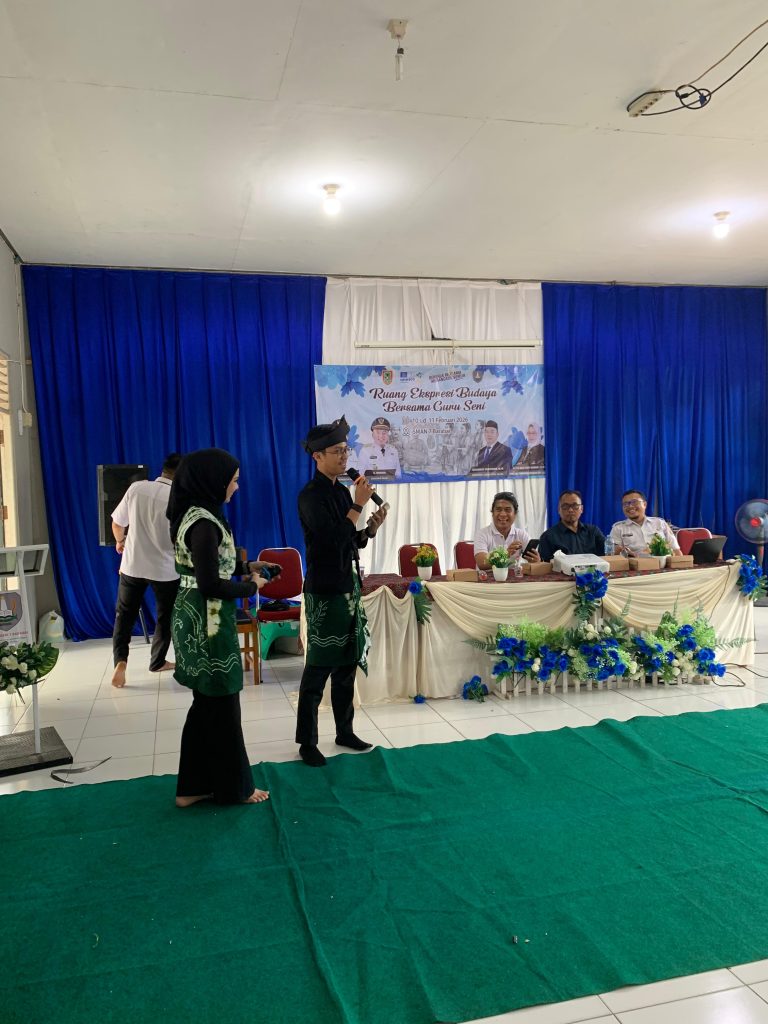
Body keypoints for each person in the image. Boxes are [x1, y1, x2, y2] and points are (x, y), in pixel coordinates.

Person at [167, 448, 280, 807]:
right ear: (213, 481)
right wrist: (252, 587)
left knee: (206, 706)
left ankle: (192, 787)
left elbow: (209, 568)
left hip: (198, 615)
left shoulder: (198, 515)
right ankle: (235, 788)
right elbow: (210, 584)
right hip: (208, 622)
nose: (236, 487)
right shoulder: (203, 524)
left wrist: (248, 568)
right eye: (233, 480)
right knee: (223, 705)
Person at [296, 416, 388, 767]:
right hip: (323, 590)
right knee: (319, 668)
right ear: (317, 457)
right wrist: (359, 505)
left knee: (347, 664)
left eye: (346, 450)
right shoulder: (310, 496)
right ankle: (307, 741)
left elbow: (349, 541)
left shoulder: (340, 492)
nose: (344, 456)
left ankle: (344, 731)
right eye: (337, 451)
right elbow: (329, 542)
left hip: (347, 585)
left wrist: (369, 530)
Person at [111, 452, 182, 688]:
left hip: (133, 565)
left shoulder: (137, 488)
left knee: (124, 615)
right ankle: (157, 661)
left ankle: (121, 662)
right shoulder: (179, 498)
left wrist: (120, 542)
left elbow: (117, 523)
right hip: (165, 569)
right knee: (165, 616)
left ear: (163, 469)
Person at [474, 491, 541, 569]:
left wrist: (536, 561)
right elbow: (482, 563)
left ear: (515, 514)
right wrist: (505, 554)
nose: (503, 514)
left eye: (507, 510)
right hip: (488, 576)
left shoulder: (521, 535)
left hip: (515, 576)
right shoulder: (482, 534)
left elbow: (535, 562)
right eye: (498, 509)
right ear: (492, 513)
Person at [538, 490, 606, 562]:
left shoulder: (593, 532)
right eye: (565, 506)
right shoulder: (548, 536)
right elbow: (543, 564)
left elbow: (608, 554)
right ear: (558, 509)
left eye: (575, 506)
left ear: (581, 509)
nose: (570, 510)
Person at [609, 490, 681, 555]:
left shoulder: (659, 523)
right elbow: (613, 555)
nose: (630, 506)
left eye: (634, 502)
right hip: (634, 564)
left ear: (645, 504)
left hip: (662, 563)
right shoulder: (618, 528)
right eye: (625, 504)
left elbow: (676, 550)